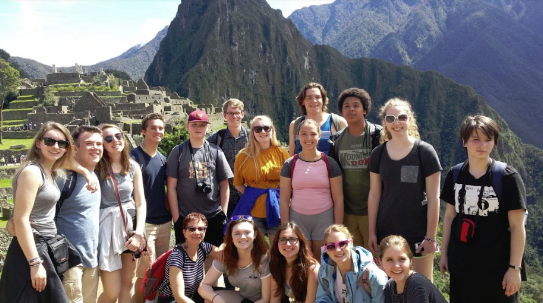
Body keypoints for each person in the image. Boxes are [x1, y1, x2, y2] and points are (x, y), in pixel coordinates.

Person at [439, 115, 526, 303]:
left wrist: (514, 269)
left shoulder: (507, 177)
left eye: (488, 140)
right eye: (476, 139)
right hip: (461, 266)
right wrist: (444, 254)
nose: (482, 145)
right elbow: (449, 216)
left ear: (494, 143)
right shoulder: (455, 174)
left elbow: (518, 226)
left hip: (498, 270)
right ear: (464, 141)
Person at [0, 122, 79, 302]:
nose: (56, 146)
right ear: (38, 143)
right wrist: (35, 263)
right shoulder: (32, 172)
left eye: (62, 143)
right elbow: (21, 220)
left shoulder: (51, 172)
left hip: (46, 246)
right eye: (50, 141)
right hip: (32, 249)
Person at [367, 98, 441, 281]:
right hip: (386, 231)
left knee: (422, 288)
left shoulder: (425, 152)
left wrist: (431, 237)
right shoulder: (378, 154)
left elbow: (434, 197)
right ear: (384, 122)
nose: (396, 122)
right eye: (390, 118)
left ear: (410, 119)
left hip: (418, 233)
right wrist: (372, 233)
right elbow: (375, 195)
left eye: (401, 117)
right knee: (390, 289)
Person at [166, 110, 233, 248]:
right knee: (187, 259)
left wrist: (223, 213)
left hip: (213, 215)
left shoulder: (216, 152)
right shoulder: (177, 152)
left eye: (202, 125)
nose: (198, 128)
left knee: (213, 258)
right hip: (186, 216)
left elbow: (224, 185)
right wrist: (177, 218)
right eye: (194, 124)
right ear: (187, 126)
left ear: (207, 127)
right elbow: (171, 186)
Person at [96, 124, 147, 303]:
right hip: (107, 229)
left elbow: (140, 202)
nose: (115, 141)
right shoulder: (95, 167)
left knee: (127, 283)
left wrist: (139, 234)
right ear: (101, 143)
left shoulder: (132, 167)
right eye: (108, 138)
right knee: (111, 292)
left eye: (118, 136)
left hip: (129, 228)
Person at [280, 119, 343, 260]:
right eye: (304, 134)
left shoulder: (330, 163)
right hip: (297, 219)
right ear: (297, 136)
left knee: (324, 262)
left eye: (313, 134)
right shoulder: (290, 164)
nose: (309, 138)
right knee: (302, 262)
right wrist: (285, 229)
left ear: (319, 136)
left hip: (324, 218)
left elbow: (339, 199)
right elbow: (284, 200)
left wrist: (337, 229)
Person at [327, 88, 382, 250]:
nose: (351, 109)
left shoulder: (377, 135)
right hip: (348, 212)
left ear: (365, 110)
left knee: (376, 258)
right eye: (347, 106)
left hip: (374, 213)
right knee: (353, 258)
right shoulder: (336, 140)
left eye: (356, 105)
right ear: (342, 112)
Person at [56, 125, 103, 303]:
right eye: (89, 143)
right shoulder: (63, 177)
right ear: (75, 148)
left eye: (98, 144)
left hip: (92, 259)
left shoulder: (95, 175)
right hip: (69, 260)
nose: (95, 148)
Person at [131, 113, 172, 303]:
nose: (158, 131)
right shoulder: (133, 157)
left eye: (160, 128)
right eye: (153, 128)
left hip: (164, 221)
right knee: (145, 271)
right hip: (145, 223)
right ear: (143, 131)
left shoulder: (162, 158)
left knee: (160, 268)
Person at [232, 115, 289, 239]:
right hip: (253, 211)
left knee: (276, 249)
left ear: (272, 130)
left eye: (266, 128)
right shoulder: (243, 155)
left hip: (277, 208)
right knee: (257, 251)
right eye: (258, 129)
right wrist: (253, 194)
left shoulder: (282, 153)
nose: (262, 132)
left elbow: (289, 182)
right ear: (252, 132)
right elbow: (238, 183)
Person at [198, 215, 271, 303]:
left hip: (261, 301)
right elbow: (204, 286)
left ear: (255, 234)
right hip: (242, 297)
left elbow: (265, 299)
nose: (242, 237)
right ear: (231, 237)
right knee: (209, 300)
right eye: (237, 233)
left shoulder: (263, 258)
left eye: (247, 232)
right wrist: (217, 299)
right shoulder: (226, 256)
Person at [157, 212, 224, 303]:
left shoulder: (203, 247)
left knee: (222, 295)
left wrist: (224, 245)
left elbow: (223, 253)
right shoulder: (177, 256)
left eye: (201, 229)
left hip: (192, 296)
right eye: (192, 229)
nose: (196, 232)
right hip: (171, 299)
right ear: (184, 232)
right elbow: (179, 297)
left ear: (205, 231)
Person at [316, 224, 387, 303]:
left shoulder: (373, 275)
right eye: (331, 246)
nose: (338, 250)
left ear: (351, 243)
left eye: (342, 244)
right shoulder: (324, 270)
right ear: (326, 249)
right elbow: (322, 297)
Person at [207, 99, 249, 218]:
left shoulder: (252, 138)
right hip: (225, 197)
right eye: (230, 113)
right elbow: (199, 151)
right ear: (224, 115)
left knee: (249, 233)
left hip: (248, 195)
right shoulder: (217, 138)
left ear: (242, 114)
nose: (234, 116)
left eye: (237, 112)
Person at [379, 235, 447, 303]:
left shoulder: (416, 284)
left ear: (410, 261)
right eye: (389, 260)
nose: (396, 265)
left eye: (401, 259)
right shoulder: (390, 287)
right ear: (381, 263)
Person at [289, 83, 347, 156]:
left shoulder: (338, 123)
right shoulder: (295, 125)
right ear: (303, 101)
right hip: (301, 167)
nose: (314, 101)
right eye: (309, 97)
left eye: (317, 97)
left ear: (323, 100)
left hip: (331, 167)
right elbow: (291, 155)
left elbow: (346, 153)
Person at [269, 222, 319, 303]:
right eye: (282, 239)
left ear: (300, 242)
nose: (288, 244)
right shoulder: (276, 266)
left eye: (292, 239)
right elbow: (275, 300)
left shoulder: (312, 268)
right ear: (277, 244)